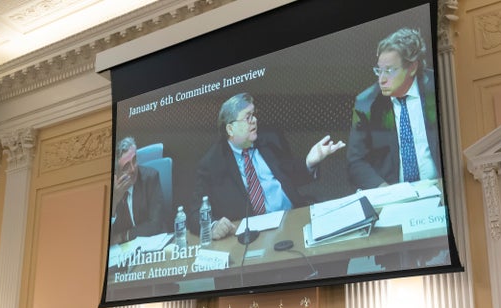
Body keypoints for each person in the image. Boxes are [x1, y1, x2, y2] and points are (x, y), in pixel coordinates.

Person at [190, 92, 345, 239]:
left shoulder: (270, 139)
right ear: (230, 128)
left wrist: (309, 162)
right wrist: (213, 226)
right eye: (248, 117)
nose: (255, 120)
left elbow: (290, 175)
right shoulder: (212, 163)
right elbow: (194, 213)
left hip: (292, 218)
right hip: (251, 235)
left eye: (254, 115)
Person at [347, 28, 440, 190]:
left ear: (412, 67)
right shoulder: (366, 103)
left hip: (439, 187)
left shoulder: (438, 86)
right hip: (393, 193)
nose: (381, 79)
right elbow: (355, 161)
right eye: (379, 70)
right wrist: (385, 190)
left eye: (389, 71)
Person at [109, 136, 169, 245]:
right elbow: (105, 236)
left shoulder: (150, 178)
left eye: (134, 160)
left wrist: (124, 236)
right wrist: (114, 200)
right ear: (115, 173)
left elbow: (155, 225)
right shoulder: (109, 193)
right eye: (126, 166)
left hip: (152, 246)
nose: (133, 169)